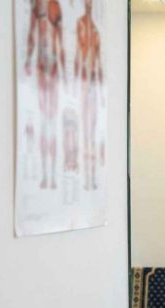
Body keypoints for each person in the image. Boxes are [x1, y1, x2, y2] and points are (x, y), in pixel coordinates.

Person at [24, 0, 66, 190]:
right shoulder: (37, 7)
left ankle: (53, 175)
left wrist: (65, 74)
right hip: (42, 67)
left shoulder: (55, 7)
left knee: (53, 123)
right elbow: (32, 35)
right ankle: (45, 174)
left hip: (54, 69)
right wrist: (27, 60)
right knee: (44, 123)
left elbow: (60, 41)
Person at [74, 0, 104, 191]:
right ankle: (84, 176)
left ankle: (91, 177)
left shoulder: (95, 31)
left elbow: (98, 62)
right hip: (83, 83)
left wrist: (101, 91)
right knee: (83, 131)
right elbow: (78, 55)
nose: (89, 5)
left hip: (93, 83)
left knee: (92, 132)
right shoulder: (81, 25)